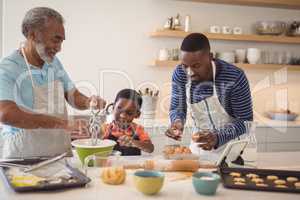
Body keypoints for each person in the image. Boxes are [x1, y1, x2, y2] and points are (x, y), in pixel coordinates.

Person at [0, 7, 106, 158]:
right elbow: (6, 114)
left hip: (58, 153)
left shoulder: (53, 63)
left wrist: (89, 102)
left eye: (61, 41)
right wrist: (63, 124)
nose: (59, 48)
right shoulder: (7, 68)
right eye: (55, 40)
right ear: (32, 34)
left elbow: (73, 96)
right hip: (23, 157)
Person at [165, 33, 253, 162]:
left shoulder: (234, 77)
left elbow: (245, 122)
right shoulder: (180, 74)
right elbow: (177, 108)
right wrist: (177, 122)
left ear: (210, 57)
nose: (189, 73)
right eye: (185, 66)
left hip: (233, 150)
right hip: (199, 149)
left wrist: (217, 137)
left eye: (196, 66)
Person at [101, 89, 154, 155]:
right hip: (112, 165)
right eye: (119, 109)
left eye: (129, 113)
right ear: (113, 107)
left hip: (132, 165)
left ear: (137, 114)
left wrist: (134, 142)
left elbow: (150, 148)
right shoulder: (105, 128)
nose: (123, 116)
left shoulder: (138, 129)